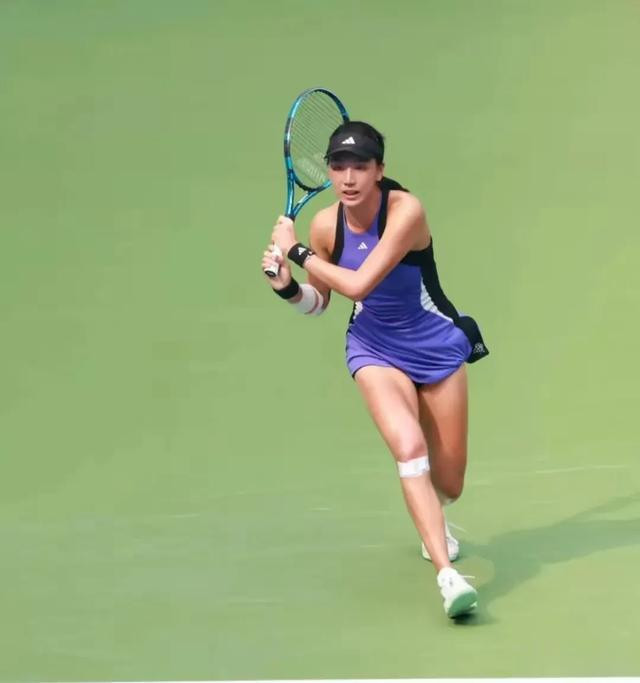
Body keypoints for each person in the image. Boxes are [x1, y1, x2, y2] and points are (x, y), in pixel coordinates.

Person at [261, 121, 489, 618]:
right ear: (328, 171)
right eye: (338, 166)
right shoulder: (326, 226)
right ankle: (447, 577)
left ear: (380, 170)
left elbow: (359, 284)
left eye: (360, 167)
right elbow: (321, 301)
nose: (348, 178)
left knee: (449, 483)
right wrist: (287, 288)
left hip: (435, 345)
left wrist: (295, 251)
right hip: (374, 348)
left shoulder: (405, 211)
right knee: (408, 448)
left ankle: (433, 512)